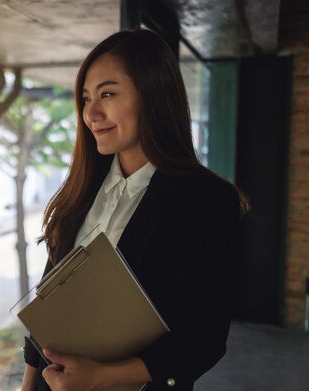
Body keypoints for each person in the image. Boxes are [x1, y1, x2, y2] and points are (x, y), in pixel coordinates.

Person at [20, 28, 248, 391]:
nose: (90, 113)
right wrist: (28, 386)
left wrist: (101, 378)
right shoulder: (83, 186)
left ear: (153, 96)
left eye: (107, 94)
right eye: (85, 98)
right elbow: (50, 306)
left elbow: (204, 339)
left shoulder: (206, 200)